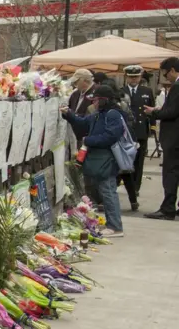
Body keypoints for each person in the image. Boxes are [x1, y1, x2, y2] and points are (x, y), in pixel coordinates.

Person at [61, 85, 125, 237]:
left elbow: (111, 136)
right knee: (106, 191)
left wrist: (88, 140)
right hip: (99, 158)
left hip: (107, 158)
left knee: (108, 192)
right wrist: (68, 114)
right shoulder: (98, 114)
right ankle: (113, 225)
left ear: (104, 100)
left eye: (95, 100)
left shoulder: (113, 114)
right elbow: (82, 123)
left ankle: (115, 227)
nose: (93, 103)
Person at [143, 57, 179, 220]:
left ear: (172, 70)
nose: (166, 77)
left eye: (165, 74)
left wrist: (154, 112)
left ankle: (167, 209)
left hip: (174, 138)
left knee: (170, 173)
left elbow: (172, 113)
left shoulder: (177, 86)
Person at [68, 69, 102, 208]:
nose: (75, 84)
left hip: (89, 134)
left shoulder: (96, 92)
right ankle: (85, 195)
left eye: (78, 81)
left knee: (90, 168)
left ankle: (95, 197)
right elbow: (71, 109)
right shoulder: (76, 94)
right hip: (75, 134)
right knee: (80, 167)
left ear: (86, 81)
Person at [105, 78, 139, 211]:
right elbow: (131, 119)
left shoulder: (113, 106)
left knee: (115, 171)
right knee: (126, 170)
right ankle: (133, 200)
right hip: (124, 140)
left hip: (116, 140)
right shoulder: (123, 102)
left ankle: (109, 200)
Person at [121, 65, 154, 196]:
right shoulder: (121, 91)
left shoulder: (147, 90)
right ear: (126, 77)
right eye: (131, 77)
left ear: (140, 77)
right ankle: (128, 185)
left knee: (139, 161)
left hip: (141, 131)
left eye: (136, 77)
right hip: (126, 131)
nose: (134, 79)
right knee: (126, 160)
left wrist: (152, 127)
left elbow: (151, 110)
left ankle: (136, 188)